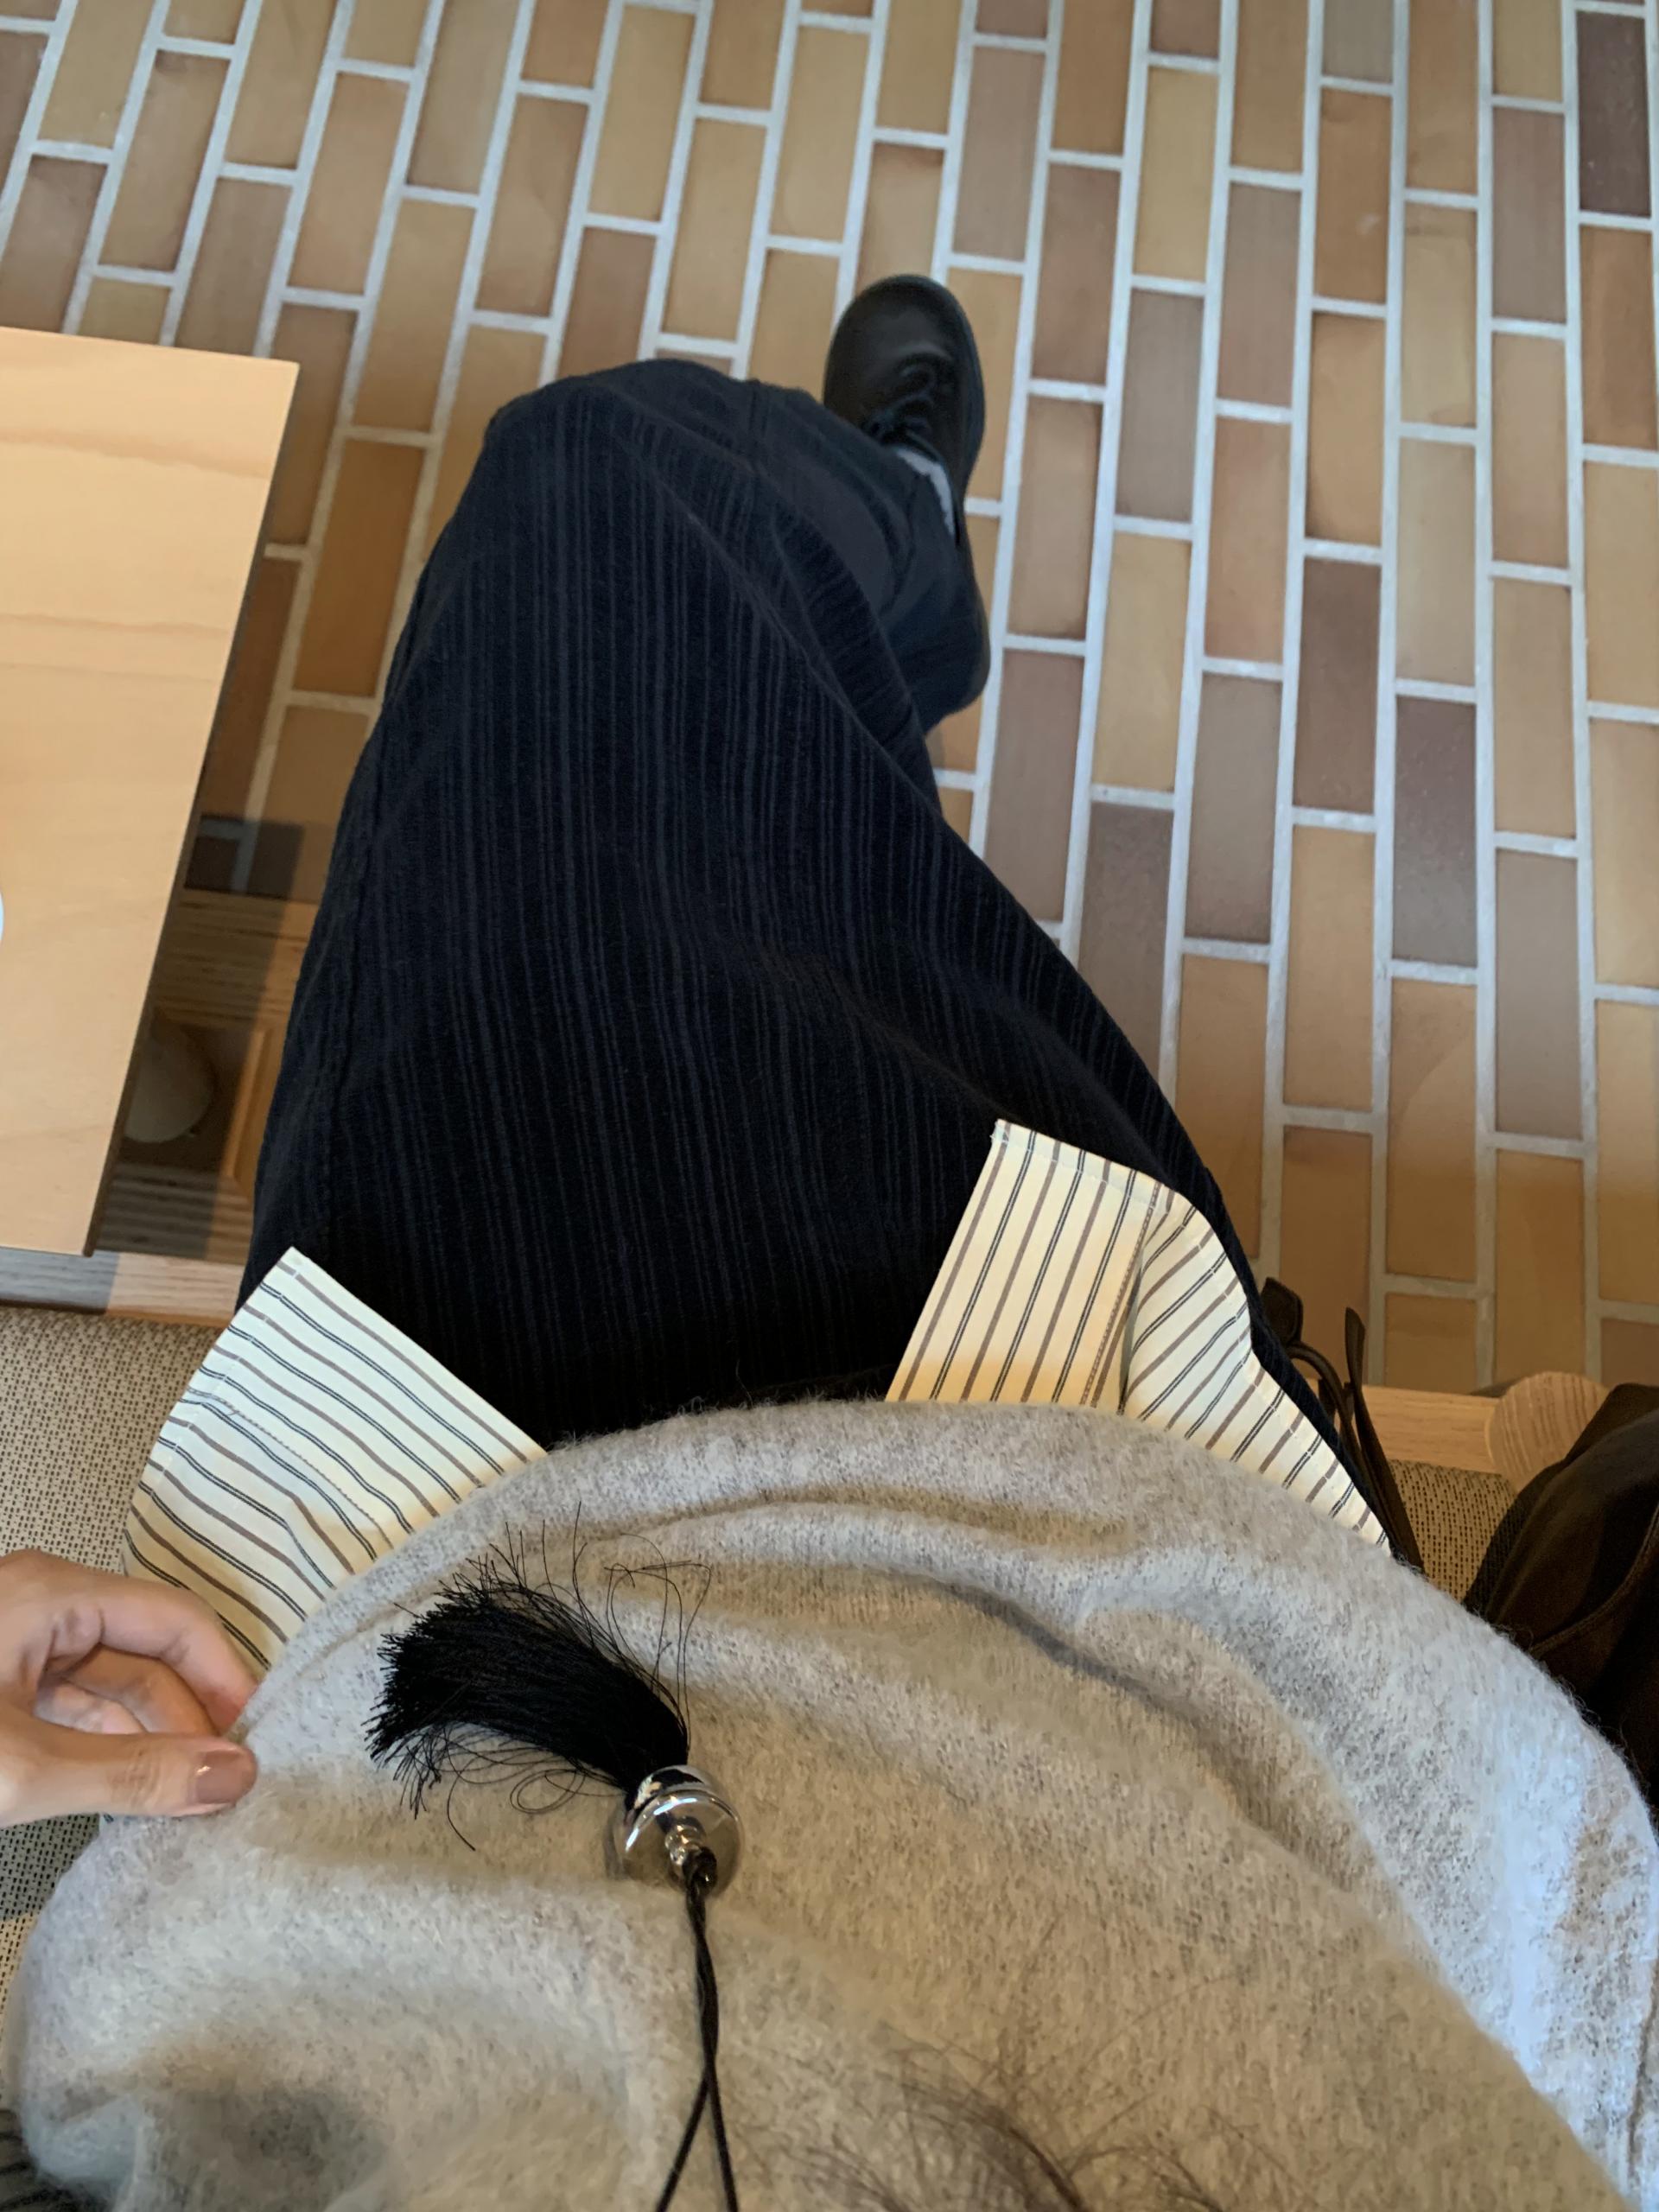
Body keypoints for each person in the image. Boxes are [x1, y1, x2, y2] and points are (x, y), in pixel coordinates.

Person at [3, 281, 1655, 2211]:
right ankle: (888, 543)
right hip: (1112, 1542)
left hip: (399, 1623)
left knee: (603, 504)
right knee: (630, 520)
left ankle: (886, 557)